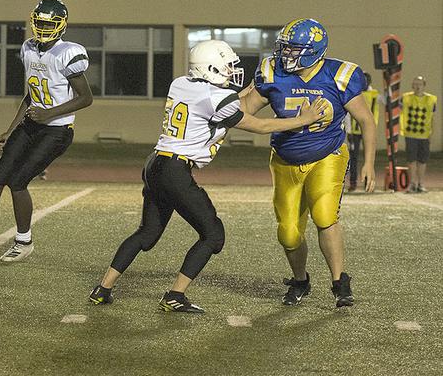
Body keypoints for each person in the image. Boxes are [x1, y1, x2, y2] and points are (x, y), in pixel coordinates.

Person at [88, 40, 328, 312]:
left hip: (155, 164)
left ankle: (103, 288)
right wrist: (302, 119)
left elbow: (221, 101)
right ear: (210, 68)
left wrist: (253, 86)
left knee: (147, 233)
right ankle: (175, 295)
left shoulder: (179, 84)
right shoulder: (217, 99)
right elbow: (259, 125)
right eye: (226, 66)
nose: (230, 71)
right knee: (213, 235)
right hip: (176, 171)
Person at [242, 18, 376, 308]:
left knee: (325, 216)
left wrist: (369, 163)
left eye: (294, 49)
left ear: (315, 50)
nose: (286, 55)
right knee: (288, 233)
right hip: (285, 159)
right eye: (285, 48)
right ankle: (300, 279)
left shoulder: (339, 74)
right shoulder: (271, 71)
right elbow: (244, 113)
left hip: (327, 155)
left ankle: (340, 282)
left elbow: (365, 119)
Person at [0, 0, 93, 261]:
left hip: (57, 130)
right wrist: (10, 130)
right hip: (31, 123)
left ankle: (24, 241)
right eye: (40, 22)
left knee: (17, 181)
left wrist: (49, 113)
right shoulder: (28, 48)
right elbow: (30, 95)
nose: (44, 28)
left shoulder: (68, 53)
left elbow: (85, 98)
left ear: (62, 25)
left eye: (50, 23)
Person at [345, 73, 380, 191]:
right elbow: (347, 114)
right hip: (354, 131)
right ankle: (353, 182)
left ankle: (368, 183)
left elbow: (388, 99)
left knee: (369, 157)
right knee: (353, 158)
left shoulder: (375, 94)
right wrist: (348, 131)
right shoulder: (354, 93)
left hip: (368, 132)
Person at [402, 75, 437, 193]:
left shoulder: (431, 99)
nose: (417, 86)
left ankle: (421, 183)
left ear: (424, 86)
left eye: (420, 84)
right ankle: (412, 184)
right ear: (412, 85)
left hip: (424, 135)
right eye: (415, 84)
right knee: (411, 159)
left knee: (422, 160)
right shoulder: (406, 98)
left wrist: (432, 132)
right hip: (410, 134)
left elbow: (432, 118)